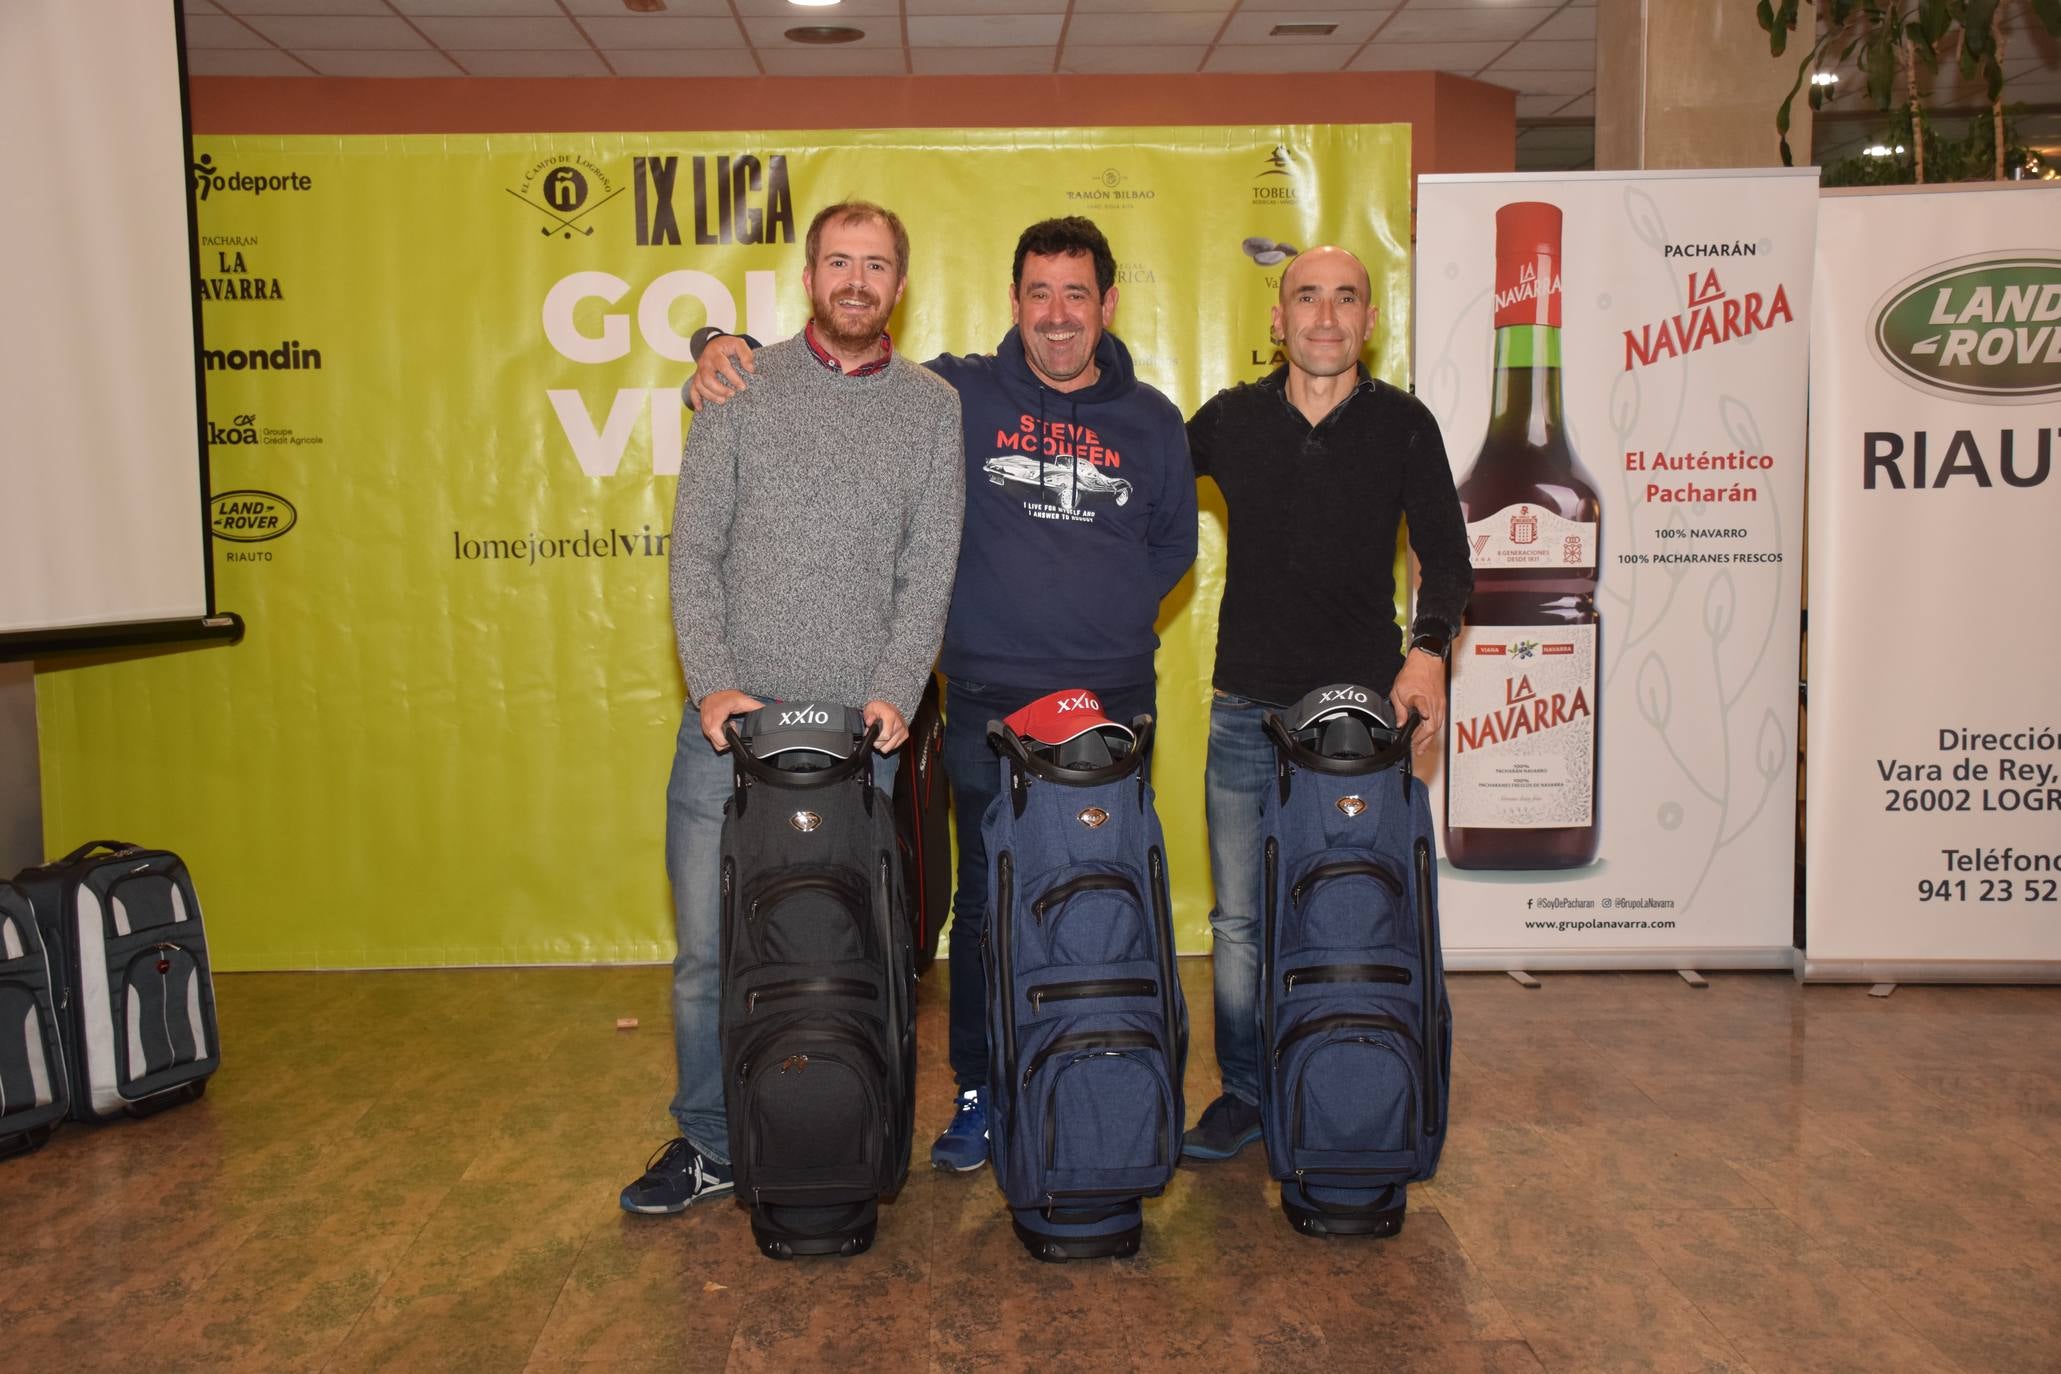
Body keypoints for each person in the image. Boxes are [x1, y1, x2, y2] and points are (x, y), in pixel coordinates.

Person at [690, 217, 1197, 1174]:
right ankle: (979, 1094)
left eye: (1075, 294)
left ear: (1107, 305)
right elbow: (843, 354)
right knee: (982, 906)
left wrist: (1107, 611)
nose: (1056, 315)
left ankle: (1109, 1085)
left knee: (1106, 892)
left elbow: (1172, 547)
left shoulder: (1154, 421)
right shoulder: (956, 393)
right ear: (1013, 303)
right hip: (987, 704)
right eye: (1038, 293)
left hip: (1114, 705)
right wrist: (716, 348)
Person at [620, 200, 965, 1214]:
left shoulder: (932, 406)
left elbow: (927, 568)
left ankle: (844, 1131)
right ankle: (712, 1142)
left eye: (877, 265)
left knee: (849, 952)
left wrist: (895, 693)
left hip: (866, 749)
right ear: (811, 277)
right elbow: (698, 550)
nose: (856, 280)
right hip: (729, 738)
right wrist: (712, 680)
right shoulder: (739, 384)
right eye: (839, 263)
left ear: (900, 284)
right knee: (706, 955)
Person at [1179, 245, 1472, 1161]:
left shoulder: (1404, 426)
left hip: (1359, 720)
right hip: (1243, 712)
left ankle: (1351, 1081)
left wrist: (1426, 655)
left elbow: (1450, 558)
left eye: (1345, 298)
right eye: (1306, 296)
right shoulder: (1226, 420)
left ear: (1368, 320)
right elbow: (1131, 486)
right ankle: (1249, 1095)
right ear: (1277, 319)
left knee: (1352, 906)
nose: (1324, 315)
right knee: (1238, 922)